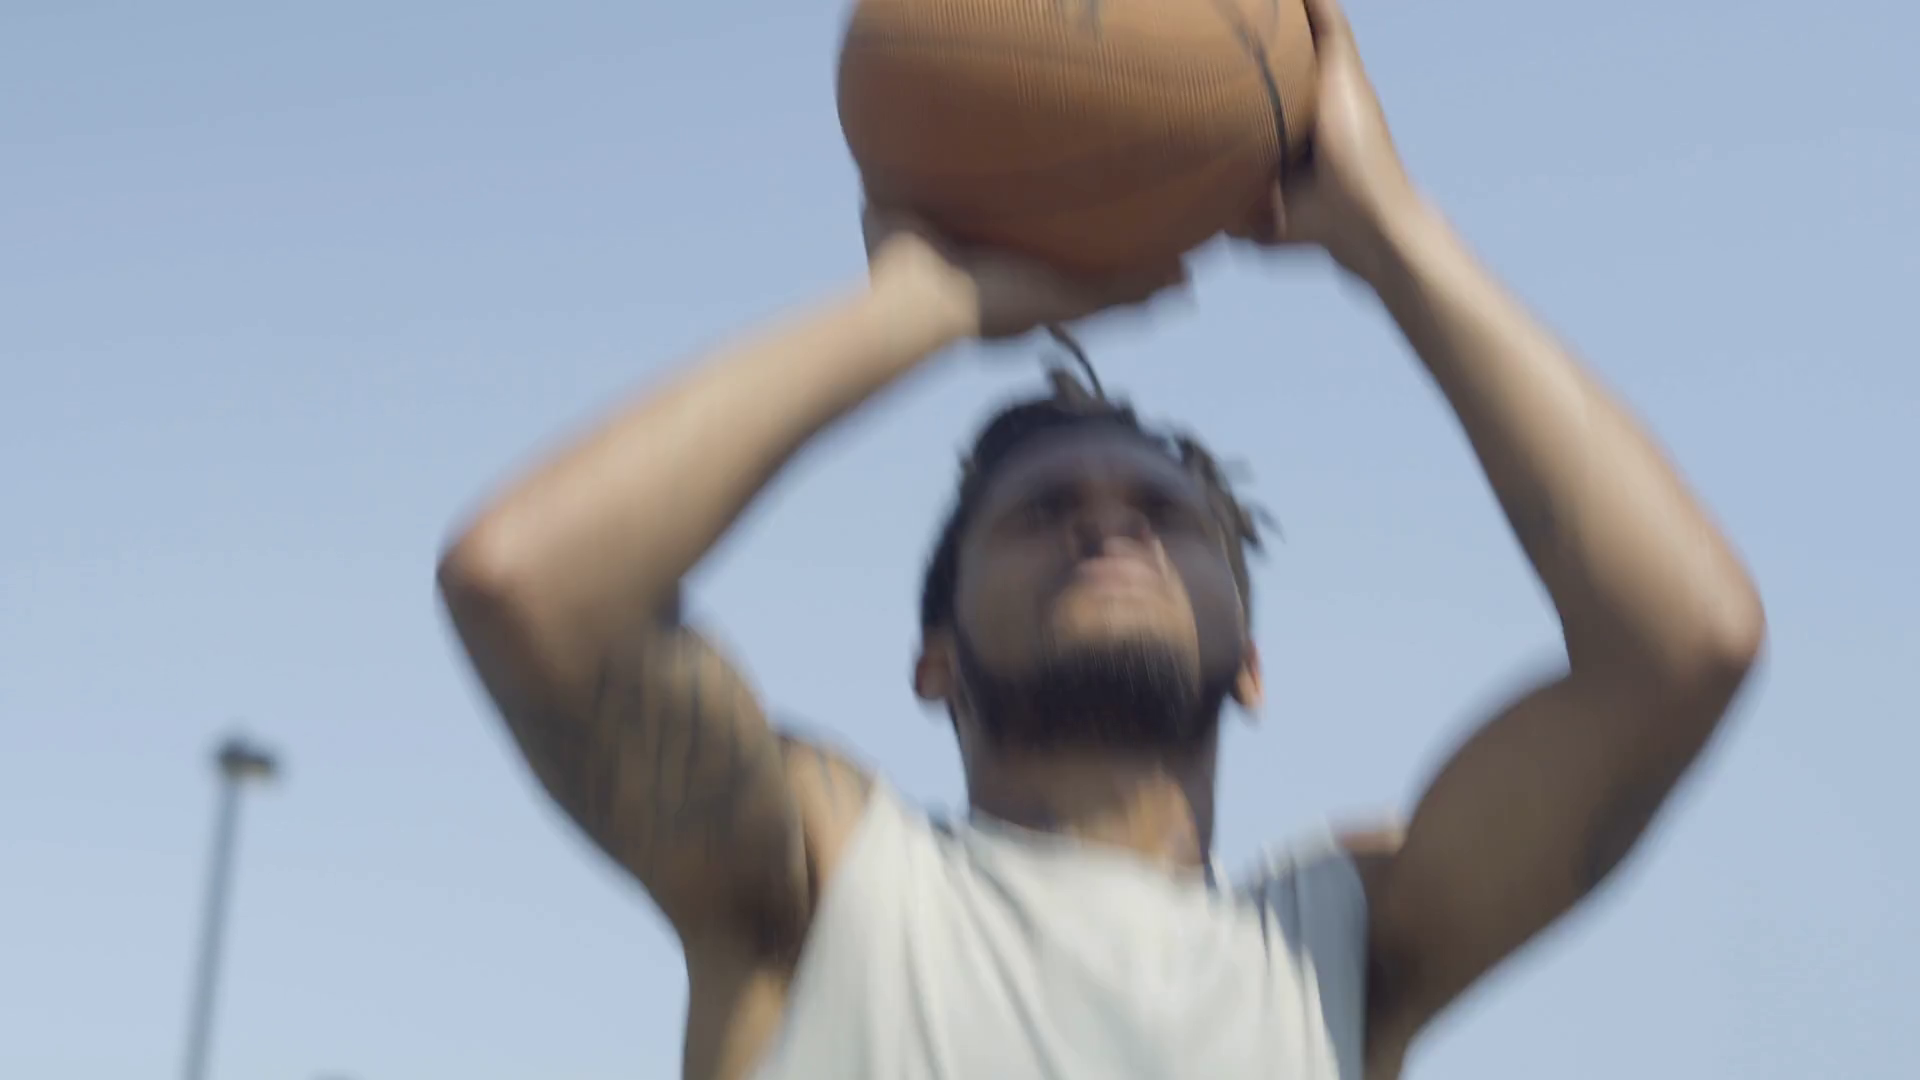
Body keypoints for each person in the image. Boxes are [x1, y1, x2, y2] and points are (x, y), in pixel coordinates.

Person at [436, 0, 1765, 1076]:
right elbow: (527, 582)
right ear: (935, 660)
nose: (1104, 526)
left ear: (1254, 662)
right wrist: (923, 304)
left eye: (1161, 516)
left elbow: (1686, 648)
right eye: (1041, 515)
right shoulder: (825, 879)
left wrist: (1394, 236)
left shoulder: (1345, 944)